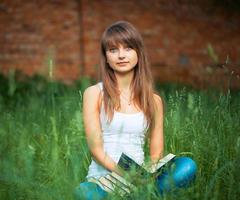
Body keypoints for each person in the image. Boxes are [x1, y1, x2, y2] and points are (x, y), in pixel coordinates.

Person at [74, 21, 197, 200]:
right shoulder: (94, 93)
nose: (121, 55)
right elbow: (96, 150)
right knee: (83, 193)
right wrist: (125, 176)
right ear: (106, 57)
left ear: (138, 53)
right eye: (113, 50)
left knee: (187, 166)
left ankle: (142, 194)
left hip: (140, 181)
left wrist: (143, 179)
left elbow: (156, 153)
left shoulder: (154, 100)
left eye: (128, 48)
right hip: (104, 180)